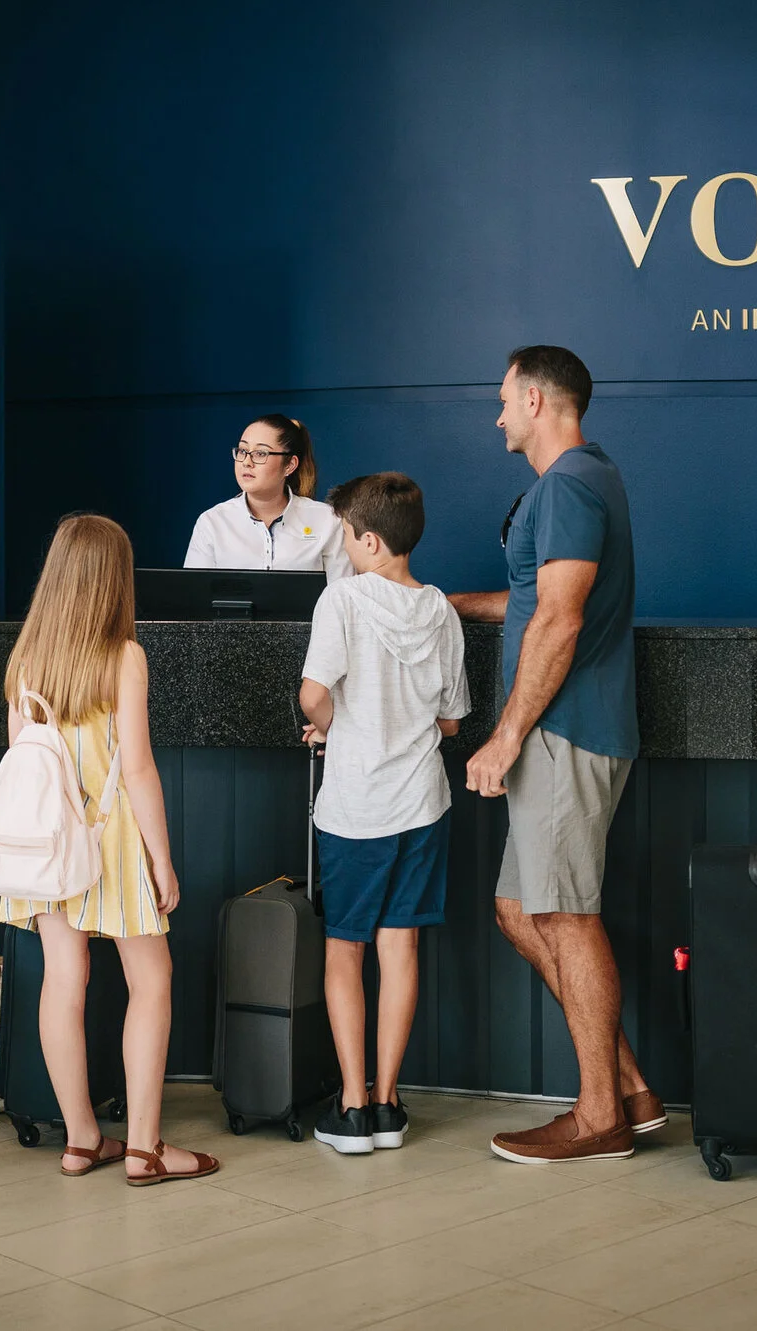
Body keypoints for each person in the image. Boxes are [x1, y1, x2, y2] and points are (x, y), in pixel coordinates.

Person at [446, 345, 658, 1165]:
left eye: (504, 399)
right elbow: (537, 599)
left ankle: (600, 1115)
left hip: (566, 731)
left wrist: (505, 735)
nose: (498, 414)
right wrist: (445, 602)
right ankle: (629, 1087)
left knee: (567, 915)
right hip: (561, 732)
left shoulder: (568, 484)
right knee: (519, 910)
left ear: (535, 400)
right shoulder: (581, 479)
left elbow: (562, 619)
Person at [0, 514, 219, 1185]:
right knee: (150, 980)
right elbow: (138, 768)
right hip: (112, 838)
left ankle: (80, 1139)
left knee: (63, 981)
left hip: (46, 843)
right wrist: (162, 857)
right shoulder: (123, 656)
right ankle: (145, 1149)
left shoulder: (25, 659)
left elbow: (22, 759)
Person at [297, 472, 468, 1156]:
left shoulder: (342, 600)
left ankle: (351, 1106)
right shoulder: (441, 610)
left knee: (346, 948)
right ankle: (389, 1103)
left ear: (368, 541)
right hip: (422, 802)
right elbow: (451, 722)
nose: (342, 546)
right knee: (401, 948)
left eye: (344, 535)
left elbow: (313, 695)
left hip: (356, 808)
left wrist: (333, 726)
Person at [184, 413, 352, 580]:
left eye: (260, 453)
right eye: (242, 451)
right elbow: (194, 592)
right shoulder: (212, 522)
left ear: (290, 465)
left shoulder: (327, 520)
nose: (246, 462)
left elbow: (342, 591)